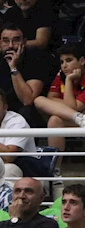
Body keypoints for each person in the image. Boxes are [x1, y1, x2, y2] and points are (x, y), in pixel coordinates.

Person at [0, 23, 55, 121]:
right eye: (6, 41)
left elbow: (27, 100)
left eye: (16, 40)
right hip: (0, 111)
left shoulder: (36, 60)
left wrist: (13, 67)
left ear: (24, 42)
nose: (11, 46)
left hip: (27, 115)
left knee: (27, 111)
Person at [33, 44, 85, 177]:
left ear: (82, 61)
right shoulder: (60, 75)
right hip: (75, 118)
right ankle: (55, 170)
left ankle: (77, 117)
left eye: (69, 60)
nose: (64, 66)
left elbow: (73, 106)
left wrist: (68, 81)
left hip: (78, 122)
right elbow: (51, 97)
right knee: (39, 101)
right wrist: (70, 111)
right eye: (62, 62)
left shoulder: (69, 77)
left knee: (55, 118)